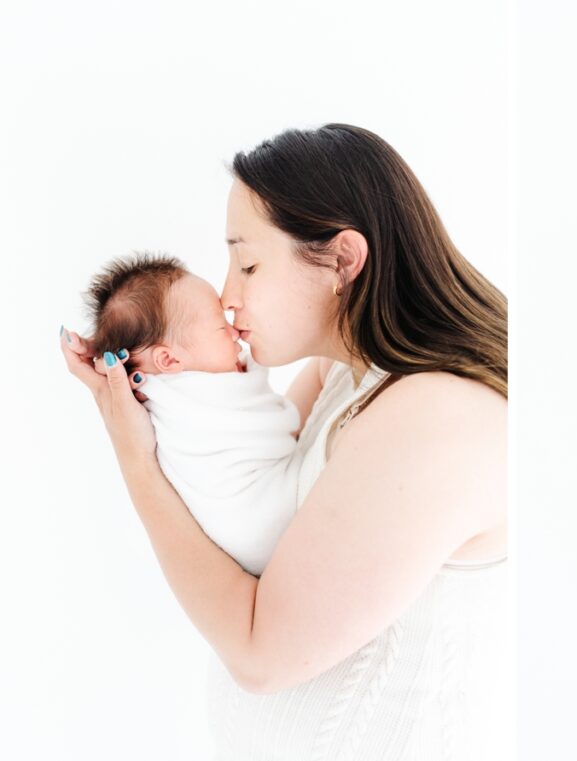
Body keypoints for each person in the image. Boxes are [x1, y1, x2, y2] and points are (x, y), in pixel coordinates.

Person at [61, 123, 508, 760]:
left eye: (247, 263)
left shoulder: (436, 416)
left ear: (343, 261)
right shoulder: (347, 373)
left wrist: (134, 458)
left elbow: (257, 653)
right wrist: (157, 388)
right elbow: (246, 456)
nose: (228, 296)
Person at [81, 251, 300, 576]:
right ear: (169, 361)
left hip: (263, 534)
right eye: (218, 326)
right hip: (264, 523)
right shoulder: (184, 404)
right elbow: (268, 420)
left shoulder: (180, 386)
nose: (235, 331)